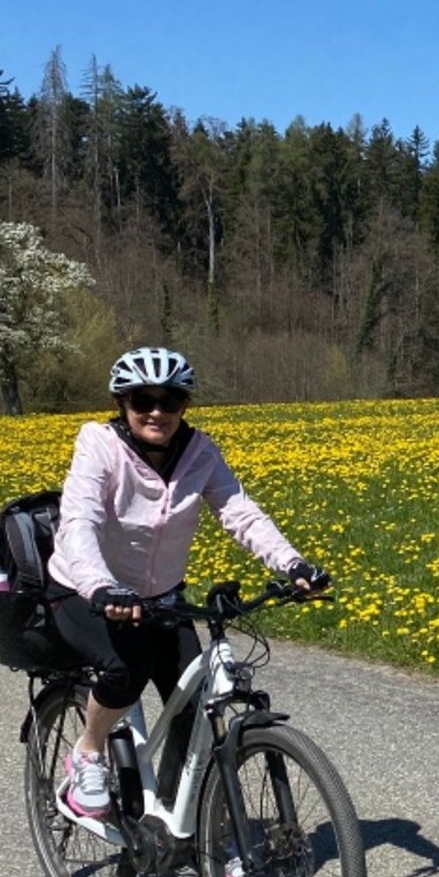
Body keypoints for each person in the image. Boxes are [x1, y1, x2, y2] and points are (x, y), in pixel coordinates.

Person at [45, 346, 324, 817]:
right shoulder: (99, 444)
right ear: (122, 404)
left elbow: (240, 513)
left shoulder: (200, 452)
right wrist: (99, 586)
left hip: (159, 598)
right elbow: (80, 521)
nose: (157, 412)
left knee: (195, 705)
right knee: (125, 670)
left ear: (184, 406)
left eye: (170, 401)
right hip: (82, 591)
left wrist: (292, 564)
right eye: (142, 401)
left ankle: (179, 818)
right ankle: (88, 753)